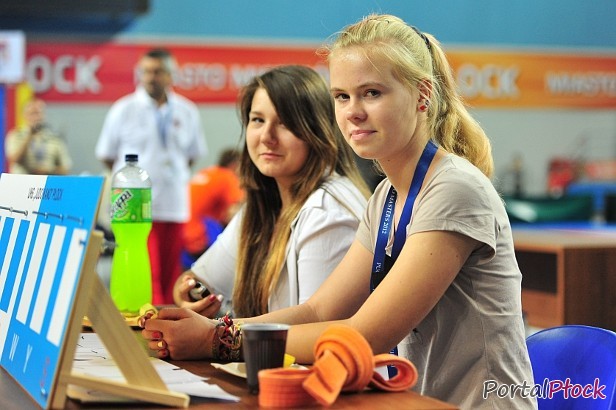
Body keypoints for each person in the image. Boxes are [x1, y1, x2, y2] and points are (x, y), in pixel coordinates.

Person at [141, 15, 536, 409]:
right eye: (342, 97)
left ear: (422, 95)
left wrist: (219, 340)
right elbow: (320, 309)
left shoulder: (454, 188)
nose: (352, 112)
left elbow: (365, 335)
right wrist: (215, 327)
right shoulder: (386, 196)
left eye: (371, 93)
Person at [171, 65, 370, 318]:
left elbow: (315, 327)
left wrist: (218, 334)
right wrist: (189, 294)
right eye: (258, 120)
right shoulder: (264, 204)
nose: (266, 136)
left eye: (284, 123)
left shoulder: (328, 211)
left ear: (317, 131)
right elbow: (196, 279)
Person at [95, 48, 207, 305]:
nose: (149, 77)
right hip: (136, 207)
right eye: (145, 72)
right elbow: (107, 156)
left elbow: (192, 155)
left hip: (174, 203)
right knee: (145, 272)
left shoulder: (187, 111)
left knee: (170, 276)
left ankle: (167, 321)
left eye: (156, 72)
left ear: (170, 75)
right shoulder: (123, 109)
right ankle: (146, 321)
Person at [182, 148, 244, 269]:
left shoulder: (206, 172)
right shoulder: (227, 176)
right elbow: (237, 211)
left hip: (181, 239)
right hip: (200, 240)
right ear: (235, 165)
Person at [5, 98, 72, 175]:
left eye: (38, 113)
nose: (36, 117)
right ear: (25, 115)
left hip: (46, 180)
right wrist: (29, 136)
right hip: (22, 179)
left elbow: (66, 168)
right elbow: (14, 160)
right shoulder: (16, 135)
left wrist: (48, 171)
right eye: (32, 113)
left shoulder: (54, 139)